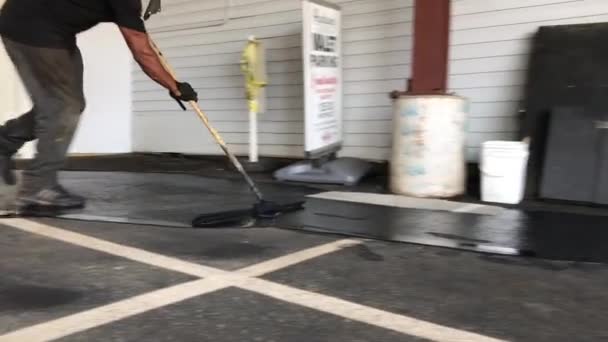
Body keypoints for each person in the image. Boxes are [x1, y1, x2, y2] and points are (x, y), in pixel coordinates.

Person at [0, 0, 197, 213]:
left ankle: (5, 141)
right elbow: (142, 50)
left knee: (65, 105)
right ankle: (36, 188)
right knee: (63, 107)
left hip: (49, 31)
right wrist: (174, 86)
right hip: (30, 29)